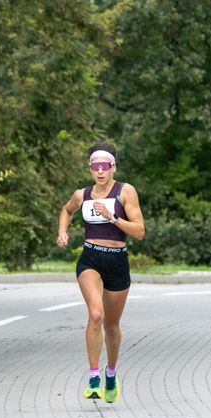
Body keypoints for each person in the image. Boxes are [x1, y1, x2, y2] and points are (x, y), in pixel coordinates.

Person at [56, 143, 145, 403]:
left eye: (105, 166)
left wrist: (112, 217)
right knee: (96, 314)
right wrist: (63, 230)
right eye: (95, 167)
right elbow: (66, 210)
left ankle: (111, 373)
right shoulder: (82, 194)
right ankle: (94, 376)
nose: (100, 171)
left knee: (111, 325)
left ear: (113, 167)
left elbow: (139, 232)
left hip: (117, 260)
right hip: (90, 257)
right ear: (90, 168)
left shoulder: (125, 192)